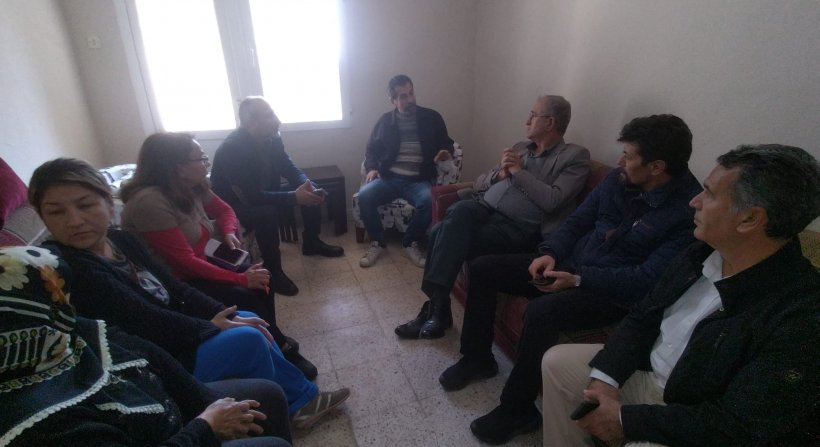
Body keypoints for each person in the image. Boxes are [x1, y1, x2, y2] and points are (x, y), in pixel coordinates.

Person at [28, 158, 350, 430]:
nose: (74, 221)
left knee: (249, 318)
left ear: (107, 202)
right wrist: (210, 326)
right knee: (248, 338)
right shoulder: (69, 267)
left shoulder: (121, 240)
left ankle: (297, 400)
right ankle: (283, 411)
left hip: (176, 333)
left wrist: (221, 314)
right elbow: (145, 320)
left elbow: (174, 287)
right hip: (157, 359)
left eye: (85, 205)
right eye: (56, 212)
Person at [441, 114, 703, 444]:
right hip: (569, 265)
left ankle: (518, 409)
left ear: (656, 167)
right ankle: (478, 358)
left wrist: (578, 279)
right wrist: (550, 252)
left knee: (542, 312)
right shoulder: (619, 180)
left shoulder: (686, 214)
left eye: (628, 156)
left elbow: (644, 280)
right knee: (483, 268)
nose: (619, 162)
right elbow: (578, 221)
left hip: (610, 293)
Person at [541, 145, 820, 446]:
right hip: (650, 374)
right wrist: (605, 381)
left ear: (749, 219)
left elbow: (738, 426)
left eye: (709, 194)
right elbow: (642, 315)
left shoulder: (801, 314)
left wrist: (625, 421)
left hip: (694, 413)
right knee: (558, 363)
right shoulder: (700, 252)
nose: (694, 201)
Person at [0, 244, 292, 446]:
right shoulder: (41, 420)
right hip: (175, 429)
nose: (68, 308)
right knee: (249, 339)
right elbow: (150, 320)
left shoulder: (69, 332)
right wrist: (206, 423)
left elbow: (147, 350)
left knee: (267, 394)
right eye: (57, 300)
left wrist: (206, 399)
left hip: (163, 405)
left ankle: (297, 388)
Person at [119, 132, 317, 380]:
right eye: (200, 158)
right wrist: (241, 279)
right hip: (178, 281)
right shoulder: (150, 202)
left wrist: (229, 232)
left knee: (264, 279)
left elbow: (225, 211)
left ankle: (273, 336)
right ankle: (279, 348)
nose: (206, 163)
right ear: (179, 168)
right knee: (245, 294)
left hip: (205, 258)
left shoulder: (191, 186)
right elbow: (184, 264)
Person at [395, 94, 591, 339]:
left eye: (533, 115)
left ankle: (436, 309)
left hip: (517, 228)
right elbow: (479, 183)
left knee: (439, 231)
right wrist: (500, 175)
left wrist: (518, 172)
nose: (526, 120)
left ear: (550, 122)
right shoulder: (521, 148)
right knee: (460, 211)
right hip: (483, 209)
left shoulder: (575, 157)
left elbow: (553, 200)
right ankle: (438, 308)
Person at [210, 96, 344, 297]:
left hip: (262, 193)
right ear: (252, 123)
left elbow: (288, 167)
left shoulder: (272, 137)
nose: (278, 120)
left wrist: (306, 184)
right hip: (236, 204)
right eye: (269, 115)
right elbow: (250, 197)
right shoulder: (232, 149)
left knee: (310, 190)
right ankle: (273, 269)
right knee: (267, 213)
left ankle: (311, 242)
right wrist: (294, 197)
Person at [357, 74, 455, 268]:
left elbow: (446, 142)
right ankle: (377, 242)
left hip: (419, 179)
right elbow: (371, 150)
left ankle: (410, 242)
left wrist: (445, 151)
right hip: (390, 178)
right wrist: (372, 169)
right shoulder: (385, 122)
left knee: (428, 201)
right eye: (403, 96)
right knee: (364, 196)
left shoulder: (432, 117)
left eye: (411, 93)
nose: (410, 99)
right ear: (393, 100)